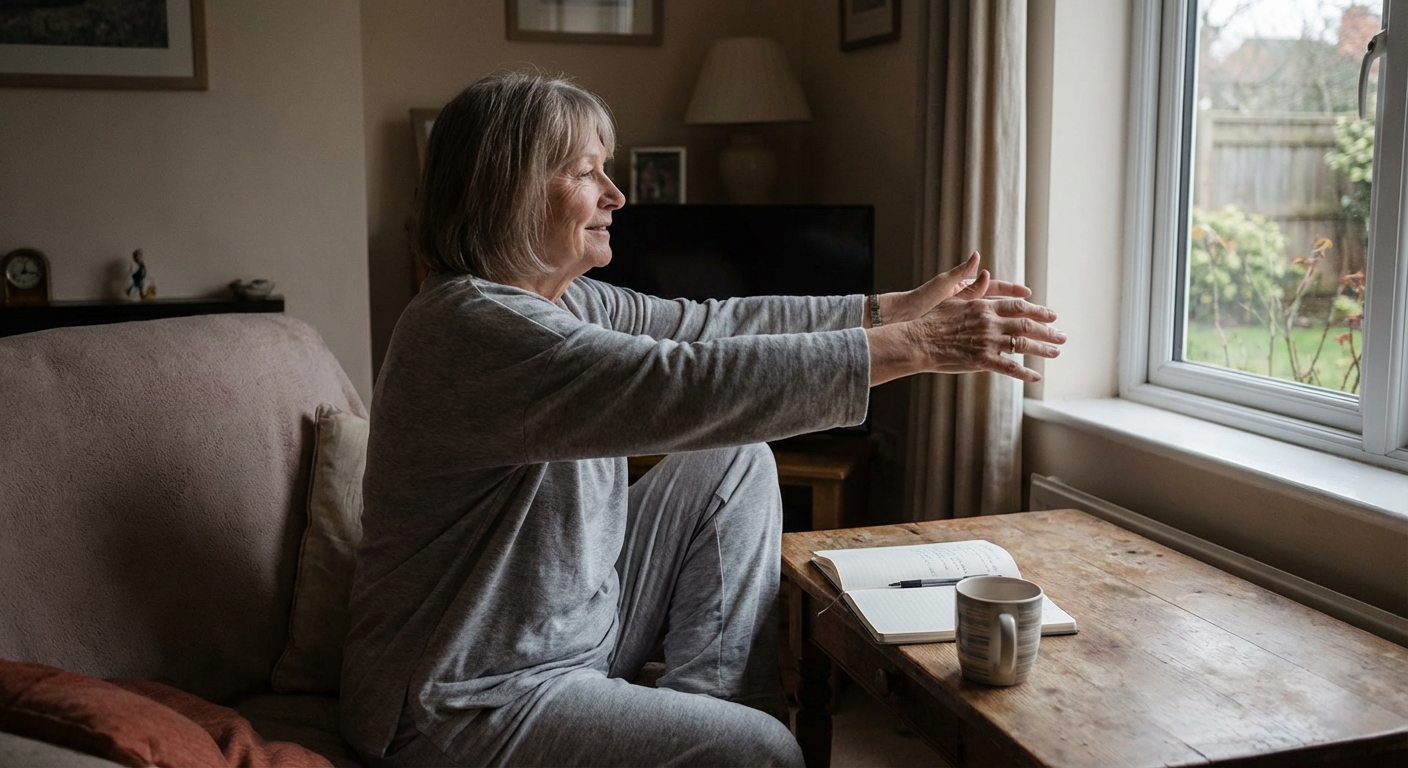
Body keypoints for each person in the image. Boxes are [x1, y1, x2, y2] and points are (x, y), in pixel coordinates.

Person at [340, 71, 1065, 768]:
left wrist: (888, 310)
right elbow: (680, 384)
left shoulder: (565, 300)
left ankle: (713, 711)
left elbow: (711, 328)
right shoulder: (469, 328)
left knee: (736, 456)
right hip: (464, 699)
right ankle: (728, 741)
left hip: (571, 631)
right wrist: (914, 347)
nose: (616, 195)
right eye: (587, 172)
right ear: (509, 191)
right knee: (766, 753)